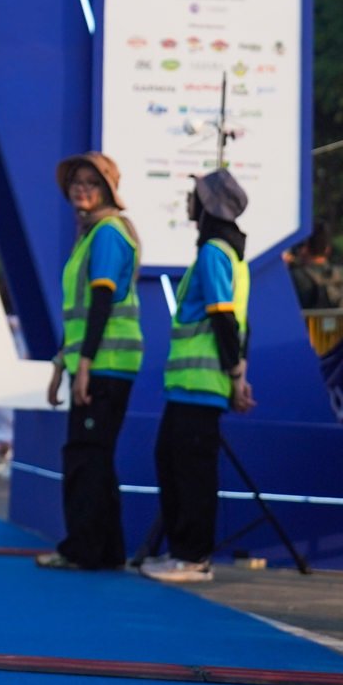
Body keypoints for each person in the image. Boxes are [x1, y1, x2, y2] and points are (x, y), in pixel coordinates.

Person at [139, 169, 253, 585]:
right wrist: (238, 375)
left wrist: (235, 374)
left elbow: (224, 318)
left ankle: (192, 558)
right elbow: (240, 323)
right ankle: (183, 553)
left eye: (195, 194)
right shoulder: (228, 254)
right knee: (176, 465)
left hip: (200, 385)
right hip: (193, 386)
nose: (189, 199)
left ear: (207, 205)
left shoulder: (213, 252)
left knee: (190, 473)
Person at [36, 151, 142, 572]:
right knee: (95, 456)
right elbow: (79, 314)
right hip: (97, 362)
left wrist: (83, 367)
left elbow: (100, 303)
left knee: (85, 457)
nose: (81, 189)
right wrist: (60, 364)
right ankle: (107, 552)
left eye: (91, 182)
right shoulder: (92, 233)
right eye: (76, 182)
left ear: (108, 190)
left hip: (105, 364)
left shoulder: (107, 233)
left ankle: (82, 550)